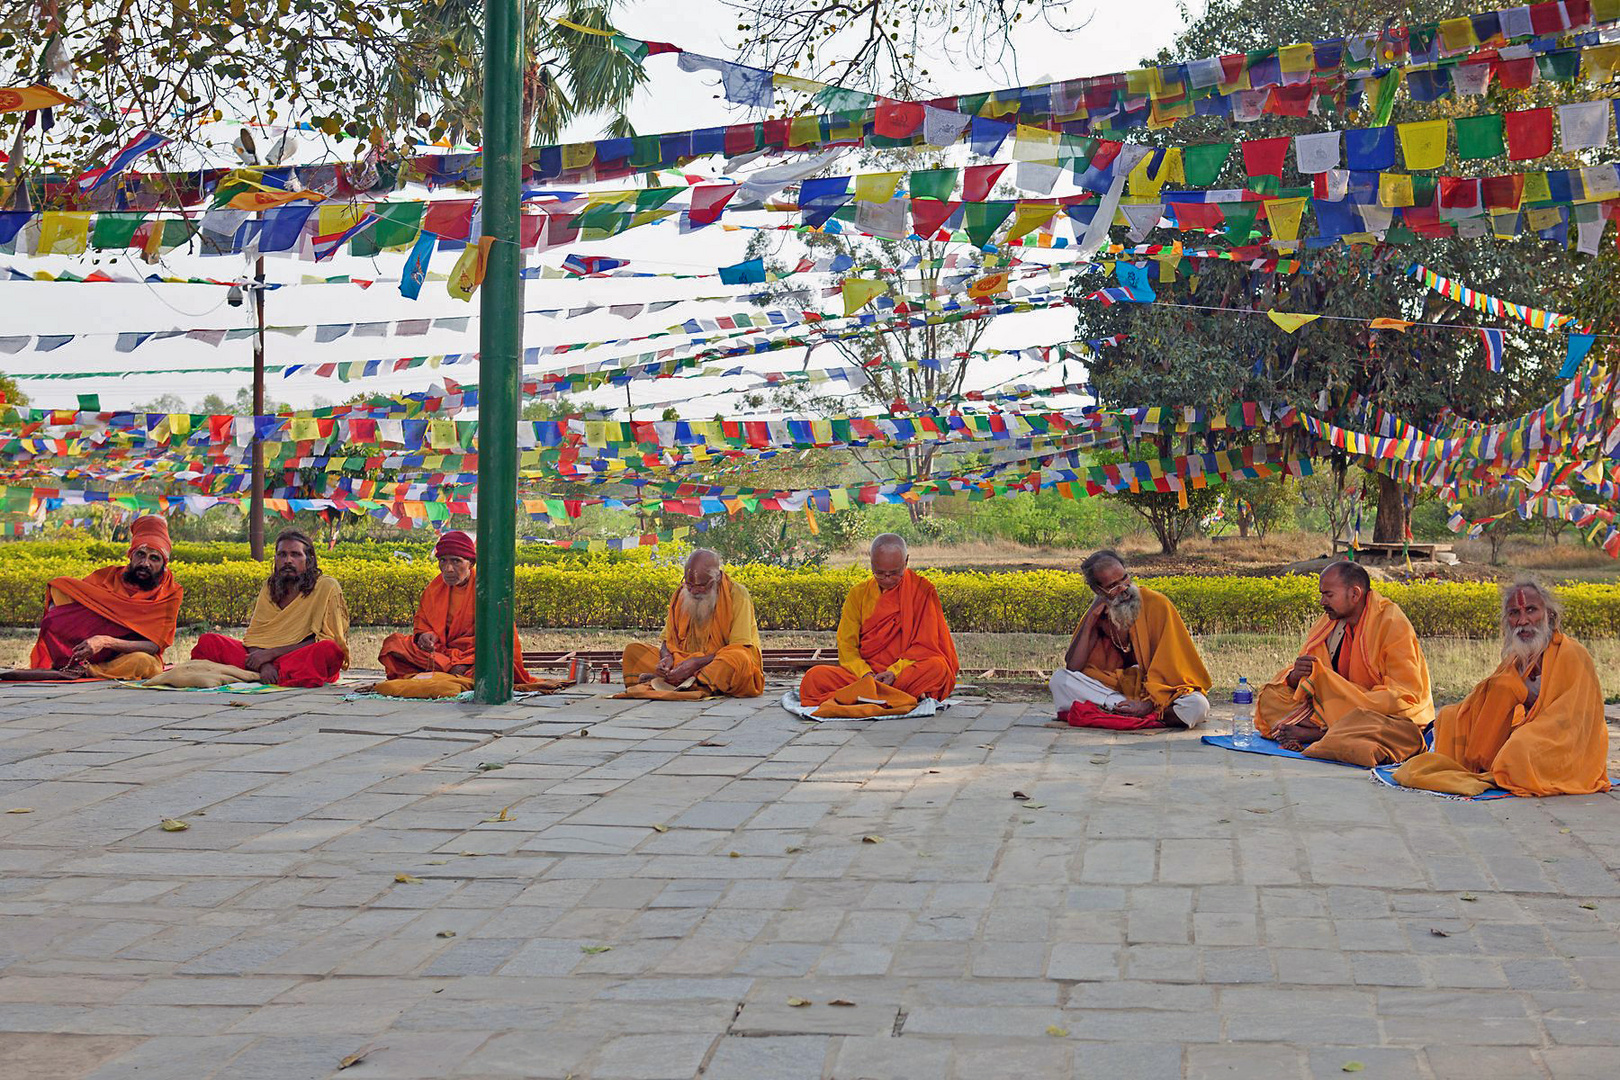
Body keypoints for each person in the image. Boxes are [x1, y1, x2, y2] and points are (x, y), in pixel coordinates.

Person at [1398, 579, 1609, 797]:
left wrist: (1530, 730)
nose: (1523, 620)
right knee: (1451, 716)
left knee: (1519, 748)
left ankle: (1497, 767)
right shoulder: (1516, 659)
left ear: (1550, 615)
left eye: (1531, 610)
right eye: (1514, 613)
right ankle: (1482, 763)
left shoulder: (1572, 654)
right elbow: (1488, 700)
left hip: (1566, 742)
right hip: (1531, 729)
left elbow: (1573, 718)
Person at [1255, 560, 1433, 766]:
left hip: (1375, 713)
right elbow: (1311, 681)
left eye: (1328, 595)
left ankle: (1319, 734)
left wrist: (1348, 698)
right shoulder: (1330, 621)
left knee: (1392, 734)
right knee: (1271, 696)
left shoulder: (1392, 623)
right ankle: (1326, 731)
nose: (1322, 602)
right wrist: (1295, 677)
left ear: (1355, 594)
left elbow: (1404, 696)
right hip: (1334, 708)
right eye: (1322, 594)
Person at [1051, 549, 1212, 726]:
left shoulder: (1157, 604)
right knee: (1060, 680)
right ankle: (1124, 709)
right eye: (1113, 586)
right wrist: (1090, 620)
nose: (1124, 589)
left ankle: (1137, 712)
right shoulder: (1099, 615)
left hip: (1159, 693)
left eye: (1125, 578)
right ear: (1098, 590)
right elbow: (1073, 666)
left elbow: (1177, 670)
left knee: (1197, 705)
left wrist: (1148, 704)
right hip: (1117, 691)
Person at [10, 516, 182, 681]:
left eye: (154, 558)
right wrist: (74, 632)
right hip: (85, 648)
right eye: (140, 555)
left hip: (125, 655)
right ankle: (71, 659)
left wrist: (105, 641)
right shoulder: (108, 576)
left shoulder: (170, 593)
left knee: (145, 663)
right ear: (130, 555)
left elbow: (153, 645)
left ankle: (86, 670)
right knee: (62, 587)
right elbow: (71, 599)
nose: (145, 563)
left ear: (164, 563)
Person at [799, 533, 959, 706]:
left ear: (906, 562)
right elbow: (847, 645)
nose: (887, 579)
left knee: (938, 668)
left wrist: (894, 672)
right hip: (864, 675)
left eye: (895, 573)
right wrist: (865, 674)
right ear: (871, 564)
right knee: (814, 678)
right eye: (880, 573)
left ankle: (864, 696)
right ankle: (893, 696)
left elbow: (926, 646)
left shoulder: (922, 591)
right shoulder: (858, 594)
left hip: (903, 672)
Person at [190, 529, 349, 686]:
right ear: (276, 559)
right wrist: (263, 664)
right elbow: (255, 635)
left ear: (309, 560)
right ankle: (276, 675)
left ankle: (253, 675)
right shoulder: (270, 586)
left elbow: (329, 638)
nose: (288, 560)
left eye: (295, 554)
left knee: (329, 650)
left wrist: (271, 654)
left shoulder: (326, 586)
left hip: (299, 656)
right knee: (209, 641)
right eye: (282, 554)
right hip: (263, 659)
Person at [377, 530, 532, 684]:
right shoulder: (434, 588)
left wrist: (465, 661)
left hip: (471, 656)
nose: (448, 568)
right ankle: (449, 675)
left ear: (471, 563)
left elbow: (501, 637)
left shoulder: (487, 590)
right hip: (440, 653)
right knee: (394, 645)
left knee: (492, 663)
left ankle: (447, 674)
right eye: (443, 561)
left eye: (456, 561)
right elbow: (422, 621)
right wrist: (424, 635)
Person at [621, 549, 763, 697]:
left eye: (700, 586)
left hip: (714, 664)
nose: (693, 591)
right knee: (633, 651)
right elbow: (667, 640)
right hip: (681, 664)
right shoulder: (682, 594)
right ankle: (686, 682)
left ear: (716, 577)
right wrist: (667, 659)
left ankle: (682, 682)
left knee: (738, 659)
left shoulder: (737, 594)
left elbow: (740, 646)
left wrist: (696, 663)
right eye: (689, 584)